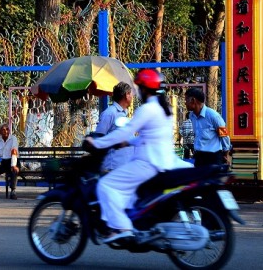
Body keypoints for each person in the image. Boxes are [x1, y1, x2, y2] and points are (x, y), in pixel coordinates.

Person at [84, 69, 192, 244]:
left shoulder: (147, 109)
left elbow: (124, 132)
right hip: (163, 163)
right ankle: (137, 224)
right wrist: (129, 143)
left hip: (147, 164)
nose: (135, 93)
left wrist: (96, 143)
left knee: (105, 185)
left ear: (145, 89)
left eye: (139, 88)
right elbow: (147, 137)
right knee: (129, 193)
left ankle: (122, 228)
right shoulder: (165, 109)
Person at [184, 88, 232, 167]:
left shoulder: (213, 116)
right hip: (199, 157)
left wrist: (225, 154)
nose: (185, 103)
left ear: (193, 100)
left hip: (213, 158)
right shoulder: (191, 116)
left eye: (186, 100)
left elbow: (224, 135)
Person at [95, 82, 134, 173]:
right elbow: (99, 136)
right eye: (131, 94)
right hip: (114, 167)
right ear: (126, 95)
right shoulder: (110, 113)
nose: (132, 97)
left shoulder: (124, 114)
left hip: (125, 166)